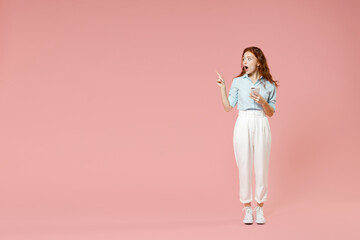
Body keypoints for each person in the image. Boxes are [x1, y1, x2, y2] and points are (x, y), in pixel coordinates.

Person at [216, 46, 279, 225]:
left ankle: (259, 207)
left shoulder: (269, 84)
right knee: (244, 164)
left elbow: (271, 112)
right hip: (243, 122)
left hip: (261, 122)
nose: (245, 62)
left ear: (258, 62)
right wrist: (223, 88)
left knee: (261, 165)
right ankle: (247, 208)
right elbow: (229, 107)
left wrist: (263, 101)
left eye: (249, 58)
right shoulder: (238, 82)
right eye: (244, 58)